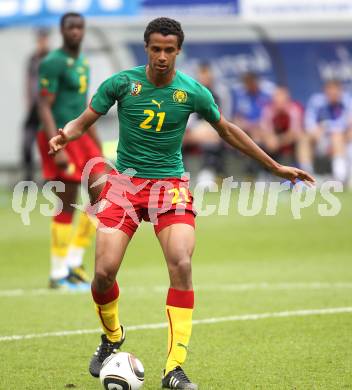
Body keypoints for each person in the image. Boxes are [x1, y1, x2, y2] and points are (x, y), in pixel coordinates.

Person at [48, 17, 314, 389]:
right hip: (125, 185)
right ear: (146, 48)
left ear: (178, 51)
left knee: (182, 263)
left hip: (170, 186)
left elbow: (228, 131)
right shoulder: (123, 83)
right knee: (103, 273)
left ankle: (174, 368)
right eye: (155, 49)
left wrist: (274, 165)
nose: (161, 56)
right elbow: (85, 120)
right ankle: (111, 336)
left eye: (168, 50)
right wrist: (65, 135)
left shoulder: (192, 91)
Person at [37, 12, 106, 290]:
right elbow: (44, 105)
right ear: (62, 31)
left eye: (79, 27)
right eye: (70, 27)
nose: (75, 31)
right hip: (60, 138)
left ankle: (74, 261)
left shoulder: (83, 62)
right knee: (66, 201)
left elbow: (84, 106)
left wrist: (97, 143)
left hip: (82, 136)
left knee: (103, 193)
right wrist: (59, 143)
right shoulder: (52, 62)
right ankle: (58, 273)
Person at [298, 79, 351, 183]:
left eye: (335, 91)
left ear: (340, 91)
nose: (332, 94)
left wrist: (325, 126)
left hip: (343, 141)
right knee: (303, 138)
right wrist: (316, 131)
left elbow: (347, 125)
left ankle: (339, 179)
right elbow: (308, 122)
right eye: (329, 91)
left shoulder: (348, 102)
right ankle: (306, 178)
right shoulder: (316, 101)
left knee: (337, 136)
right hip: (322, 139)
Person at [22, 28, 50, 181]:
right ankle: (28, 176)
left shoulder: (52, 58)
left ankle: (49, 176)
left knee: (48, 144)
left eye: (44, 39)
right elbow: (28, 81)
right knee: (27, 143)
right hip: (34, 107)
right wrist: (28, 100)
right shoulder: (32, 59)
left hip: (47, 107)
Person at [261, 86, 303, 167]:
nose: (279, 103)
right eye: (276, 99)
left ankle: (304, 169)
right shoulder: (268, 109)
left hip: (291, 142)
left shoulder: (294, 109)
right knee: (258, 139)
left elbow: (295, 133)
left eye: (282, 100)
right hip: (273, 142)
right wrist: (269, 138)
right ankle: (264, 171)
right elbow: (265, 130)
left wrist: (278, 141)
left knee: (302, 139)